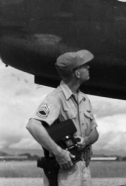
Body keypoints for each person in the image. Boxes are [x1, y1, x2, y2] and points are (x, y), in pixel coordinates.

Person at [26, 50, 99, 186]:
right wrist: (59, 153)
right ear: (77, 73)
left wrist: (87, 140)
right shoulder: (56, 98)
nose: (88, 67)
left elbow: (95, 132)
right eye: (84, 65)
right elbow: (33, 125)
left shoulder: (85, 99)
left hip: (84, 169)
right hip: (64, 173)